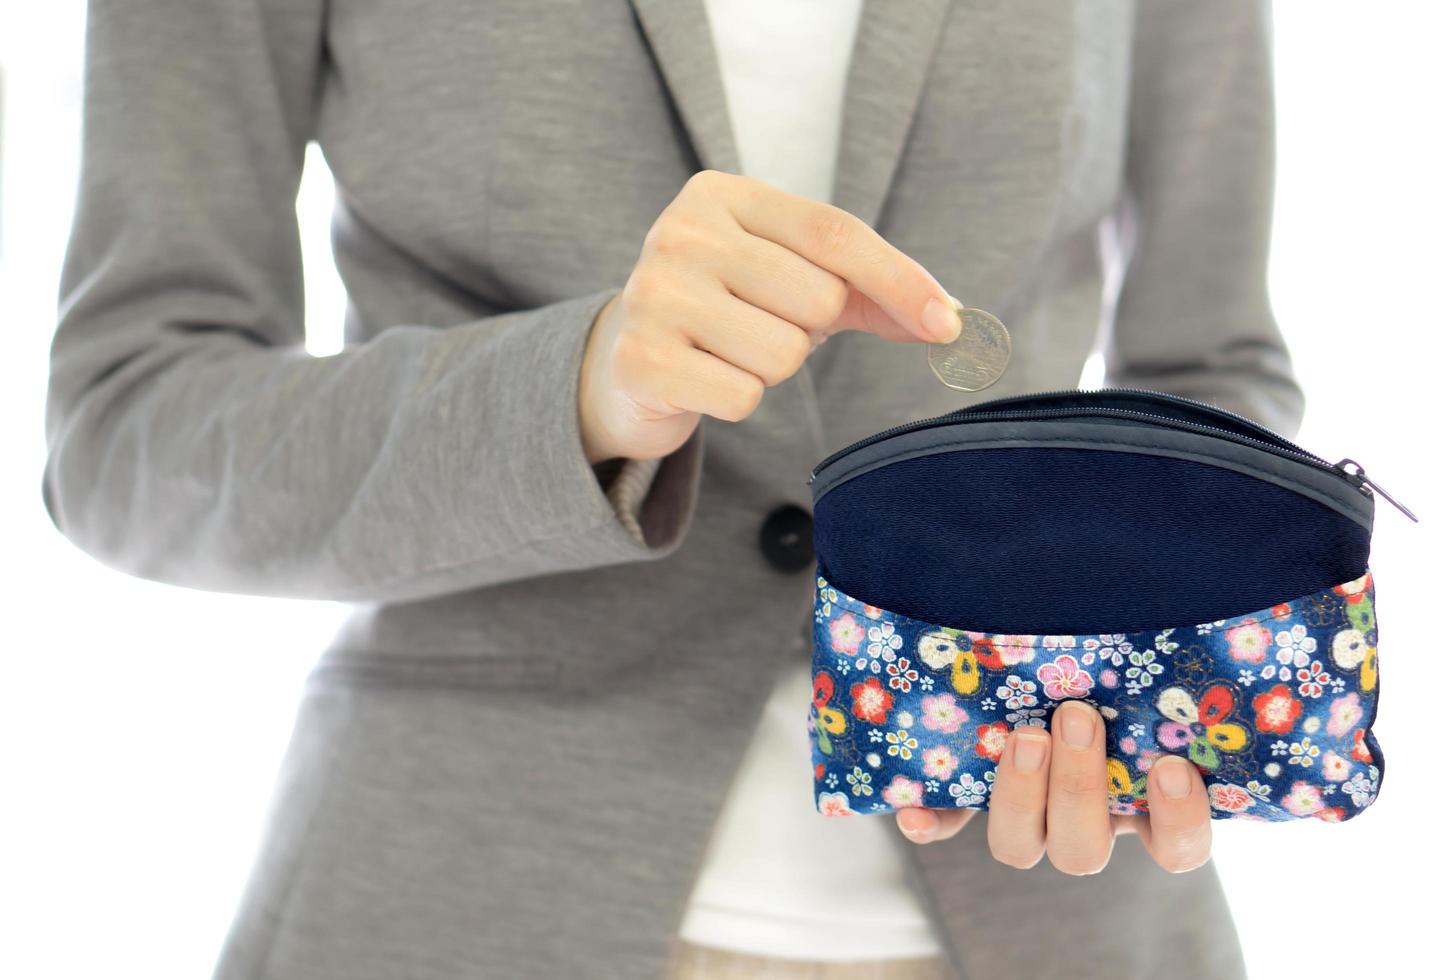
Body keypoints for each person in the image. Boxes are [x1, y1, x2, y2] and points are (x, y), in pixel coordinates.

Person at [41, 1, 1300, 978]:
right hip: (458, 903)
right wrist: (574, 391)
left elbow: (1213, 370)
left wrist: (1150, 664)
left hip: (1067, 918)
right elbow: (124, 422)